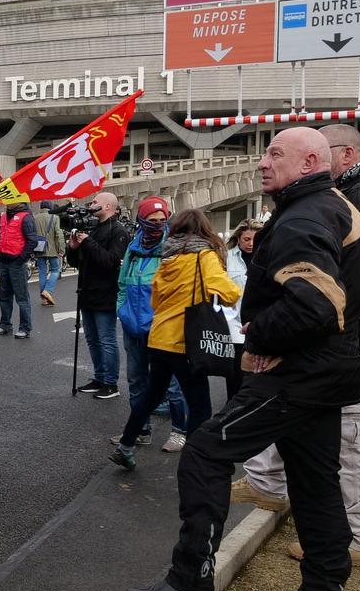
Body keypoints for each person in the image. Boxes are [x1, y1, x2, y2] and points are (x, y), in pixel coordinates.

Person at [123, 127, 360, 591]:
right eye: (265, 153)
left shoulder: (303, 217)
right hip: (330, 370)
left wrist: (260, 338)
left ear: (309, 162)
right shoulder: (337, 206)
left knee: (204, 452)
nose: (262, 163)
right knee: (316, 482)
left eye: (275, 154)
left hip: (296, 373)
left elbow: (318, 303)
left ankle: (189, 581)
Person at [235, 125, 360, 566]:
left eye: (323, 151)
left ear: (345, 154)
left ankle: (354, 539)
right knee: (320, 429)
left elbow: (357, 280)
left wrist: (321, 329)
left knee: (351, 442)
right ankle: (272, 486)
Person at [110, 208, 240, 469]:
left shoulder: (167, 257)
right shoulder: (204, 255)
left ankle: (126, 446)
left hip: (159, 337)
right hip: (186, 340)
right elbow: (227, 292)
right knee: (200, 404)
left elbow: (156, 299)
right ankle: (194, 463)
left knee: (151, 394)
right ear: (204, 229)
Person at [112, 196, 193, 454]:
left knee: (172, 385)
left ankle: (180, 431)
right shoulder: (134, 245)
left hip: (163, 330)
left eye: (162, 220)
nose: (157, 224)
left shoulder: (175, 247)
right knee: (136, 382)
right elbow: (123, 283)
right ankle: (140, 430)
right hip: (133, 328)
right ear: (142, 220)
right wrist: (122, 312)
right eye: (151, 220)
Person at [66, 191, 129, 399]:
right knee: (92, 339)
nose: (91, 204)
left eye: (95, 202)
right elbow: (77, 262)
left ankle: (111, 383)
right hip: (86, 292)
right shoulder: (93, 229)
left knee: (106, 339)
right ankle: (99, 377)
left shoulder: (118, 231)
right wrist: (73, 248)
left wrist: (87, 242)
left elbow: (111, 262)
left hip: (106, 294)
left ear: (108, 207)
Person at [220, 218, 262, 398]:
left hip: (259, 324)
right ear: (238, 238)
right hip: (234, 326)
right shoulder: (227, 258)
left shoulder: (268, 257)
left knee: (257, 376)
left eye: (255, 239)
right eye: (247, 239)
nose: (251, 243)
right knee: (235, 376)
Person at [0, 201, 37, 339]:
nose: (7, 201)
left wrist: (20, 260)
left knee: (21, 297)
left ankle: (25, 328)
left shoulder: (26, 217)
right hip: (4, 261)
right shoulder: (4, 216)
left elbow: (32, 241)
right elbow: (1, 235)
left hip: (16, 263)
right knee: (4, 297)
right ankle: (5, 324)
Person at [33, 202, 66, 306]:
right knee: (56, 270)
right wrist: (61, 248)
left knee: (42, 272)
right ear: (50, 208)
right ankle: (47, 291)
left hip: (39, 248)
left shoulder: (35, 218)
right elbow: (58, 234)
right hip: (52, 249)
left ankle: (44, 299)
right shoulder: (55, 217)